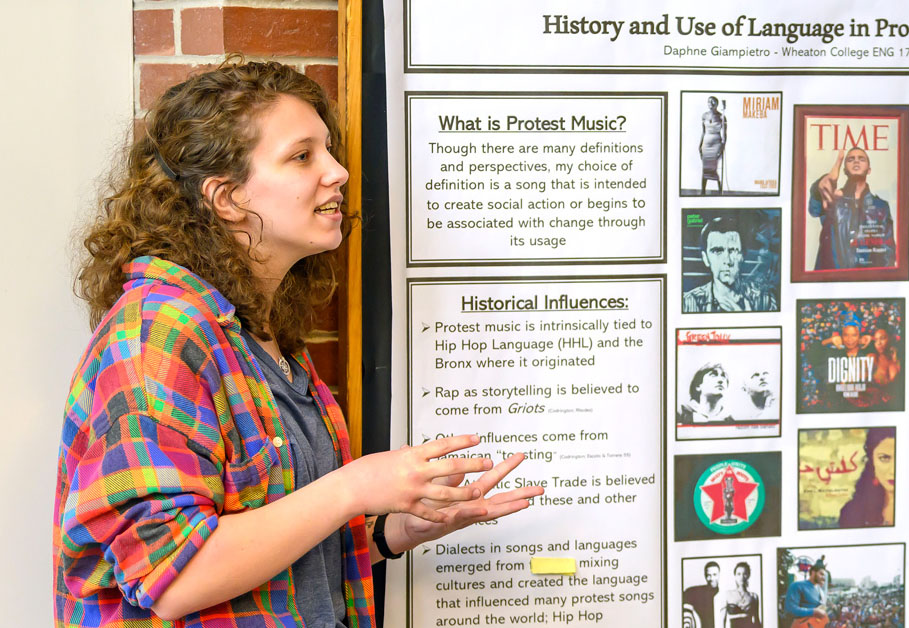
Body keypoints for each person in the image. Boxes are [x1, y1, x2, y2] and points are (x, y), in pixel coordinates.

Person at [54, 60, 544, 627]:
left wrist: (394, 530)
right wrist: (355, 487)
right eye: (303, 156)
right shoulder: (156, 335)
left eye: (329, 151)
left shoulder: (259, 333)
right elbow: (172, 577)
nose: (338, 172)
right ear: (226, 197)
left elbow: (273, 536)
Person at [808, 147, 896, 270]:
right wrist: (818, 188)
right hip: (831, 282)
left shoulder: (880, 206)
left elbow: (888, 252)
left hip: (865, 284)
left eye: (861, 159)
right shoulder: (833, 199)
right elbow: (814, 210)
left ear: (869, 170)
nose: (856, 161)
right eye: (850, 159)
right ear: (844, 170)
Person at [683, 216, 778, 313]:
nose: (727, 261)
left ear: (743, 256)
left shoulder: (764, 299)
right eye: (717, 251)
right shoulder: (688, 302)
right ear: (705, 258)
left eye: (733, 250)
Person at [838, 427, 897, 528]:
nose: (893, 471)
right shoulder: (853, 512)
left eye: (901, 458)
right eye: (884, 458)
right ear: (872, 460)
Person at [784, 557, 829, 628]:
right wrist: (814, 611)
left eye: (824, 575)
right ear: (813, 572)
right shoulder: (797, 585)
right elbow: (790, 609)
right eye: (821, 574)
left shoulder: (820, 591)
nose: (823, 577)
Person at [698, 96, 727, 194]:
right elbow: (703, 131)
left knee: (714, 168)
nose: (710, 104)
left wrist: (722, 147)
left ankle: (720, 191)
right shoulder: (704, 115)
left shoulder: (721, 117)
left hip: (716, 144)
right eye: (709, 102)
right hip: (706, 144)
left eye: (713, 102)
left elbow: (725, 135)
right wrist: (700, 144)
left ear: (717, 104)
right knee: (705, 168)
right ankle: (702, 191)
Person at [721, 561, 762, 627]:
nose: (742, 577)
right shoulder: (728, 595)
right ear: (735, 576)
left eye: (744, 574)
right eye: (739, 574)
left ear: (748, 575)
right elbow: (723, 620)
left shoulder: (754, 596)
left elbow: (756, 620)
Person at [684, 561, 722, 628]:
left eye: (714, 574)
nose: (712, 578)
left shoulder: (723, 595)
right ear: (705, 576)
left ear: (719, 575)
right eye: (709, 575)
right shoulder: (696, 593)